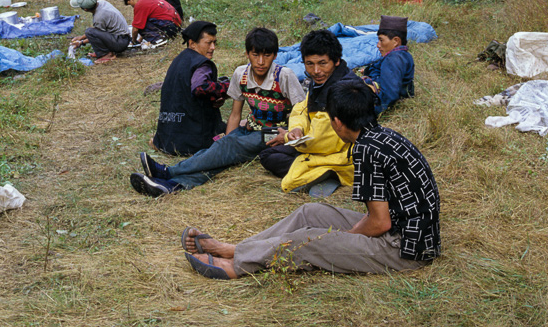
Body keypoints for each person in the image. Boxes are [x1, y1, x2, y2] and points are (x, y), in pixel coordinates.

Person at [180, 79, 440, 280]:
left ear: (337, 122)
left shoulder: (366, 149)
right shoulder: (382, 135)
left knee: (308, 239)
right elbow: (383, 215)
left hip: (404, 250)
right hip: (401, 231)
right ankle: (238, 248)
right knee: (309, 213)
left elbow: (380, 222)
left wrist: (345, 238)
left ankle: (237, 265)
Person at [132, 28, 305, 197]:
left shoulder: (284, 76)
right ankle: (173, 185)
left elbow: (302, 111)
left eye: (267, 55)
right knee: (220, 154)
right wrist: (228, 139)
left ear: (275, 56)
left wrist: (291, 135)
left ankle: (167, 172)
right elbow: (235, 114)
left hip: (275, 133)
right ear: (247, 54)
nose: (260, 61)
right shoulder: (241, 74)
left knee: (227, 147)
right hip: (251, 128)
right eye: (255, 55)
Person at [257, 29, 363, 196]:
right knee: (267, 155)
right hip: (316, 144)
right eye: (309, 64)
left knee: (276, 157)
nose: (316, 71)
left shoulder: (345, 91)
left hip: (340, 153)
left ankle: (332, 173)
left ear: (336, 61)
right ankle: (321, 173)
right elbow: (301, 108)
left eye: (322, 63)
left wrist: (286, 137)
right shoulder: (322, 81)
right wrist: (295, 130)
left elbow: (322, 140)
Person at [135, 22, 229, 170]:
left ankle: (157, 142)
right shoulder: (202, 64)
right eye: (208, 43)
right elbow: (200, 88)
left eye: (214, 43)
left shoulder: (180, 59)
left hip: (167, 138)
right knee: (230, 132)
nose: (213, 48)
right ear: (192, 43)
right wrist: (226, 88)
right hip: (194, 140)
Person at [361, 15, 414, 115]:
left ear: (396, 41)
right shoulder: (404, 55)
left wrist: (371, 112)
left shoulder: (392, 60)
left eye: (381, 40)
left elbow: (390, 95)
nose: (378, 45)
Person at [69, 0, 130, 64]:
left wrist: (81, 42)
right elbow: (98, 31)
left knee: (89, 32)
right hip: (123, 38)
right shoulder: (102, 2)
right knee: (91, 32)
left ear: (85, 9)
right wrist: (81, 38)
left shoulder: (99, 16)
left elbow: (95, 35)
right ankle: (102, 52)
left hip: (120, 42)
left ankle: (107, 54)